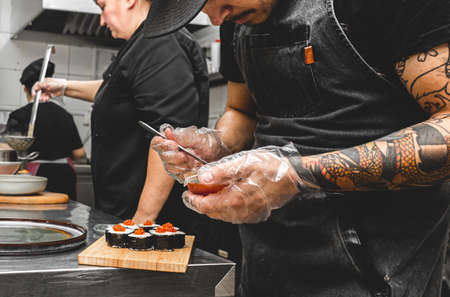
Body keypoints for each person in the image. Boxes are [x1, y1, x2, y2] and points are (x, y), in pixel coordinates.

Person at [145, 1, 450, 297]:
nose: (215, 18)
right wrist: (218, 145)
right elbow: (242, 111)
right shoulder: (235, 17)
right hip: (265, 261)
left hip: (375, 267)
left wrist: (295, 174)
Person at [33, 0, 211, 244]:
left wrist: (139, 225)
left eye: (103, 6)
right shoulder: (142, 43)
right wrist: (63, 87)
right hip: (127, 217)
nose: (102, 20)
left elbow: (169, 137)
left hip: (153, 231)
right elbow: (115, 93)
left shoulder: (160, 42)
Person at [6, 58, 85, 200]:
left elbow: (8, 152)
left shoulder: (19, 115)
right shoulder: (65, 115)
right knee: (64, 215)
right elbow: (79, 153)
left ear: (25, 88)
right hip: (65, 175)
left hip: (33, 177)